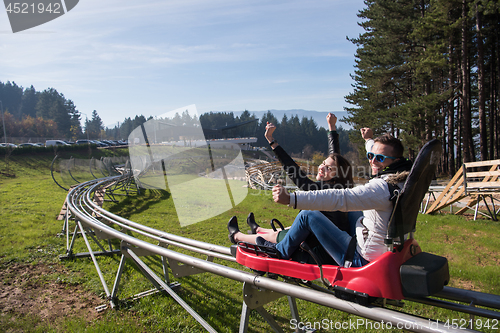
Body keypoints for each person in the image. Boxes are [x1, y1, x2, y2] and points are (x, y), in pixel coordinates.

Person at [230, 129, 413, 268]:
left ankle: (271, 248)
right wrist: (362, 139)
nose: (372, 161)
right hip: (372, 246)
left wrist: (291, 199)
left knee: (306, 216)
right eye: (370, 156)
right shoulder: (399, 181)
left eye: (379, 158)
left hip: (360, 258)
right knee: (345, 214)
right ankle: (257, 230)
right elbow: (337, 157)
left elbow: (341, 198)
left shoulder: (379, 188)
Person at [246, 113, 353, 241]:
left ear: (337, 174)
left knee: (281, 234)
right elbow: (334, 158)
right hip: (330, 234)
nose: (321, 167)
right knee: (291, 228)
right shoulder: (340, 186)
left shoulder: (327, 190)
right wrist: (332, 128)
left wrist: (271, 141)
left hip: (324, 241)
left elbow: (296, 174)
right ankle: (258, 230)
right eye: (323, 163)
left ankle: (237, 236)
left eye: (328, 168)